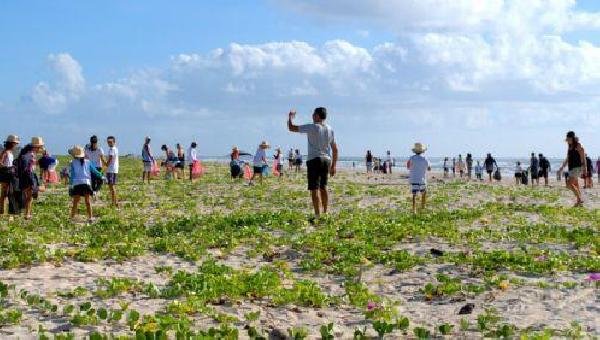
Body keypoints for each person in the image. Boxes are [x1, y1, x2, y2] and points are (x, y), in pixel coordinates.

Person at [287, 107, 338, 220]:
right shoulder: (330, 129)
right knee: (323, 187)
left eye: (314, 114)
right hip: (326, 160)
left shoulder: (312, 127)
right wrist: (334, 165)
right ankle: (325, 212)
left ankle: (317, 215)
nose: (312, 115)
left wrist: (290, 117)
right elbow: (335, 149)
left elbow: (291, 128)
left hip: (314, 160)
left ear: (318, 116)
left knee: (314, 189)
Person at [69, 145, 104, 223]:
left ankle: (71, 217)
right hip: (86, 184)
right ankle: (90, 217)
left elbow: (72, 175)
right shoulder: (88, 162)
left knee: (75, 202)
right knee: (87, 202)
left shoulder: (73, 163)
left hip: (77, 184)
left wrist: (70, 185)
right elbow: (95, 172)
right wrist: (101, 175)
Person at [18, 137, 45, 220]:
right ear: (36, 147)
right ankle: (27, 213)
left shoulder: (28, 153)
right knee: (31, 195)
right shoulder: (31, 155)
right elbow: (29, 168)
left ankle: (27, 213)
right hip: (29, 176)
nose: (40, 148)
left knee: (29, 196)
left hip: (27, 176)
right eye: (40, 147)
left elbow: (31, 165)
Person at [558, 131, 586, 207]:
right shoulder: (569, 146)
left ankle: (579, 199)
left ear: (571, 138)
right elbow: (567, 159)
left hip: (577, 168)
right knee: (575, 185)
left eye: (568, 138)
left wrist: (585, 168)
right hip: (571, 168)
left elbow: (583, 156)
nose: (567, 140)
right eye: (567, 139)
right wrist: (561, 168)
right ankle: (579, 202)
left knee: (568, 184)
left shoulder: (577, 145)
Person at [407, 143, 431, 214]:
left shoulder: (411, 158)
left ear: (414, 151)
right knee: (424, 192)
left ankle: (414, 209)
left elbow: (408, 166)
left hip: (413, 179)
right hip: (422, 179)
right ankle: (422, 206)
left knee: (414, 194)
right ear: (422, 151)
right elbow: (429, 168)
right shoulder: (424, 159)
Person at [0, 135, 20, 215]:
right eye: (14, 143)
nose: (15, 145)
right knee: (4, 192)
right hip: (5, 172)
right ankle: (1, 210)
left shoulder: (10, 152)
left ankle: (4, 210)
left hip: (9, 172)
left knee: (8, 192)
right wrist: (6, 167)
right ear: (11, 143)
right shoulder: (5, 152)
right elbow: (0, 162)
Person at [106, 136, 119, 207]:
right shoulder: (116, 149)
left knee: (111, 187)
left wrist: (105, 163)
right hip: (114, 170)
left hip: (111, 170)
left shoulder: (111, 149)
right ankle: (115, 201)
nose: (109, 143)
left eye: (110, 142)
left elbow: (109, 160)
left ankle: (114, 202)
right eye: (108, 142)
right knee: (112, 186)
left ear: (114, 142)